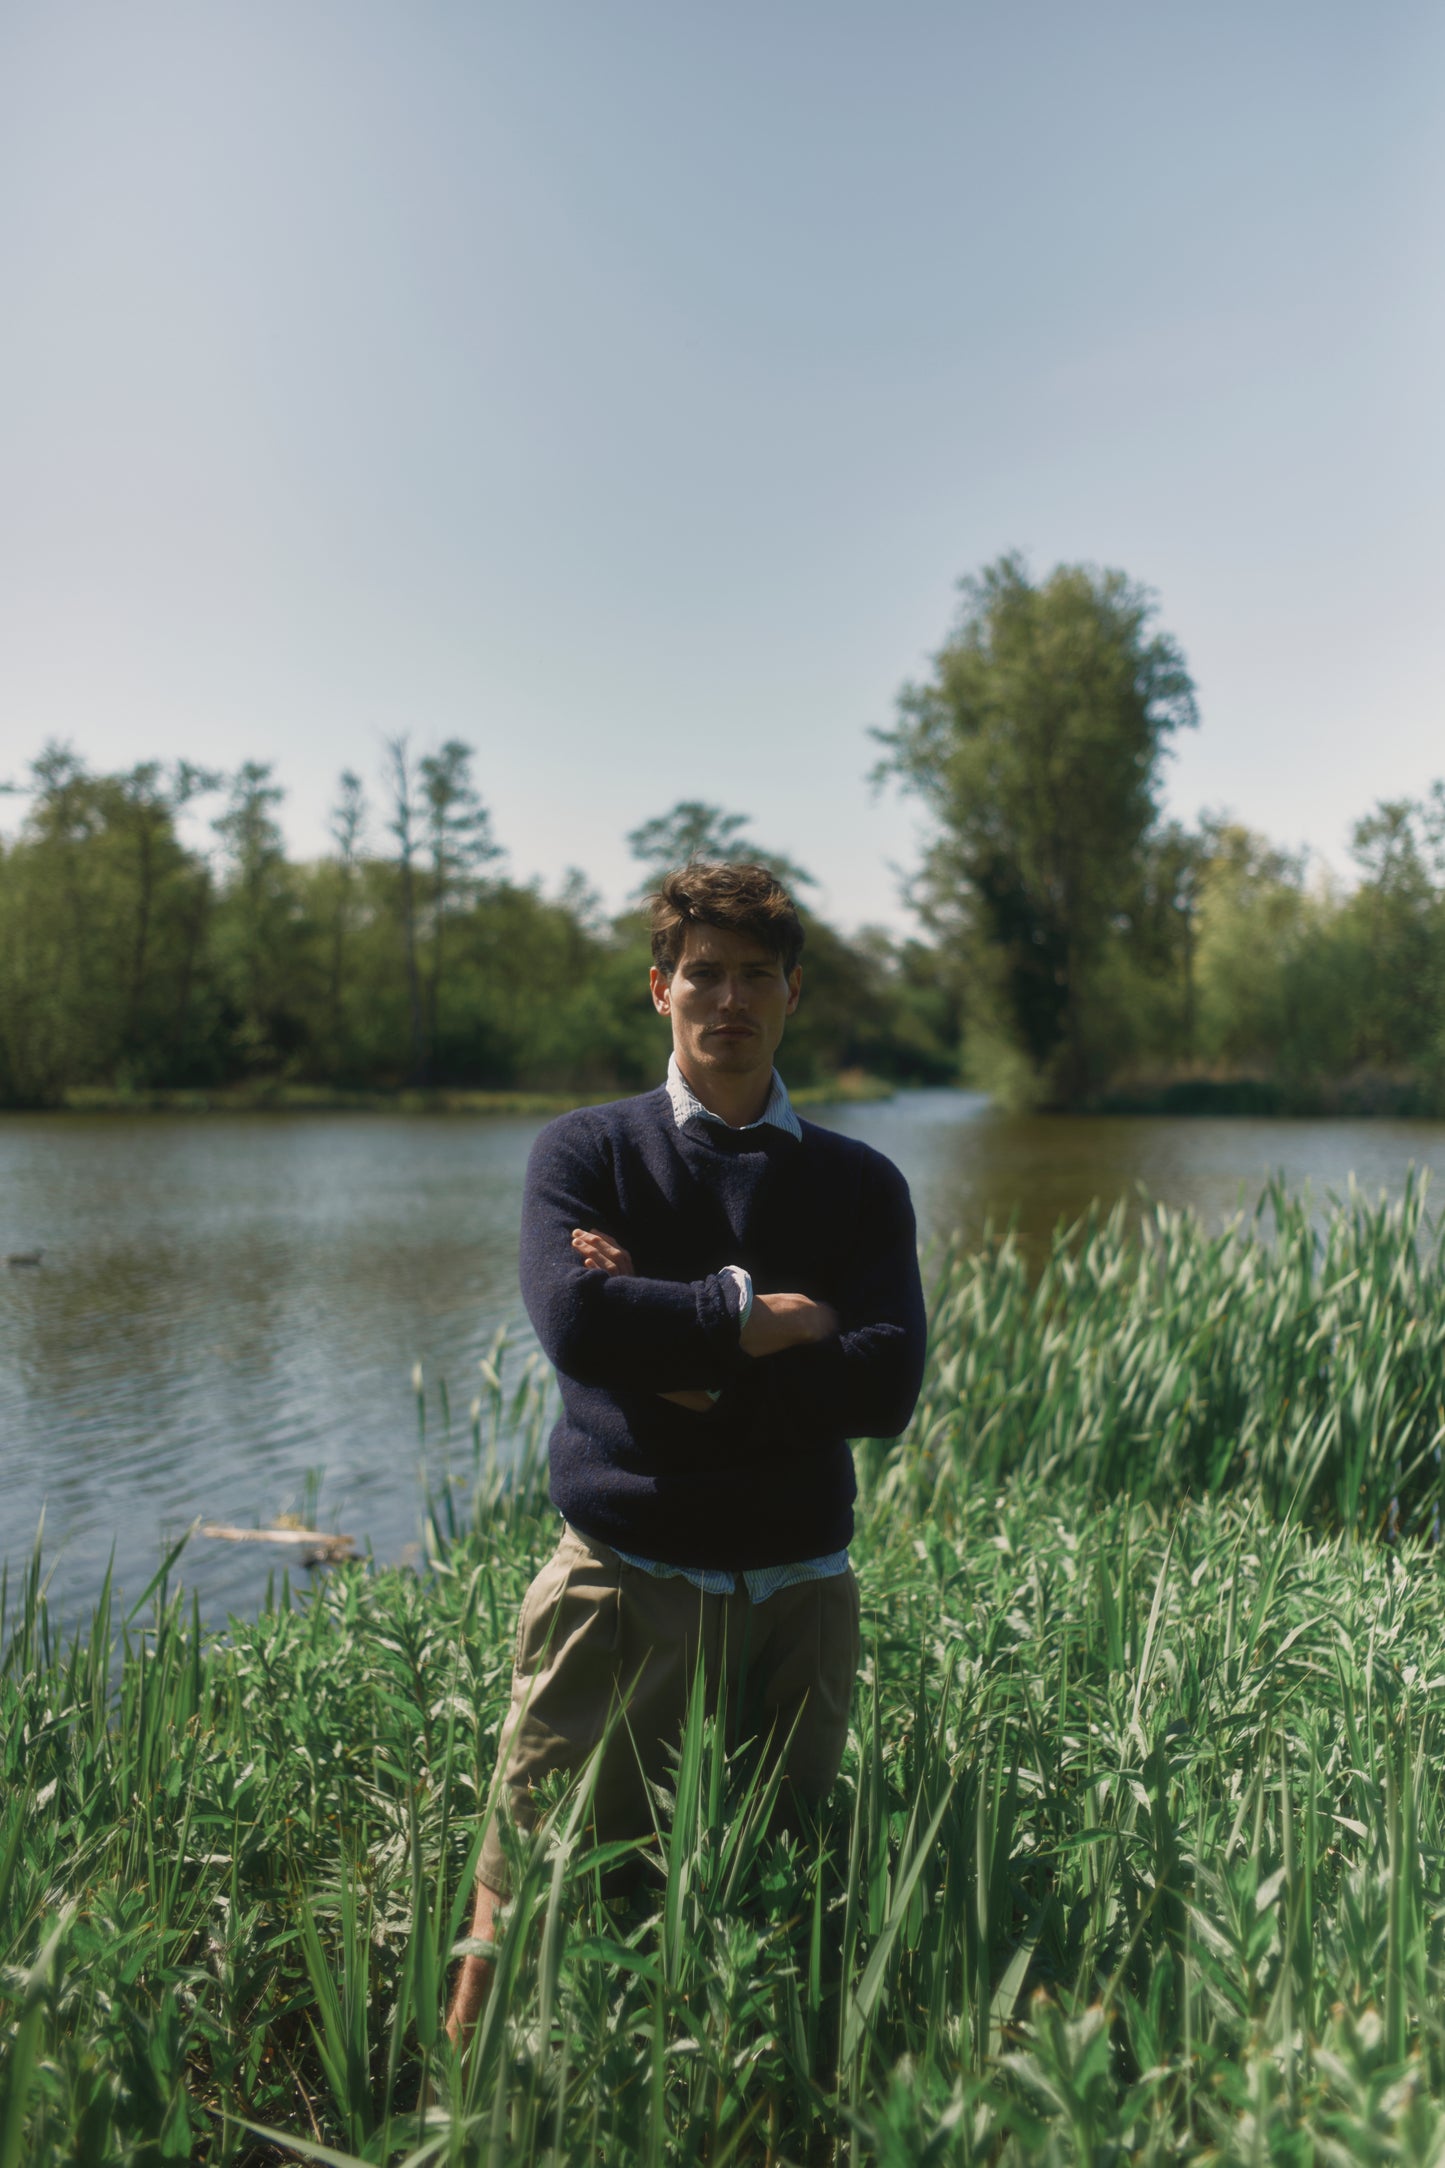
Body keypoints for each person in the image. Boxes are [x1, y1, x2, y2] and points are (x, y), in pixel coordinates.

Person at [446, 860, 926, 2044]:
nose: (728, 997)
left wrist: (679, 1353)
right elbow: (574, 1322)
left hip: (797, 1598)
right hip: (623, 1584)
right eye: (701, 973)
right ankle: (459, 2107)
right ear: (657, 990)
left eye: (754, 973)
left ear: (792, 993)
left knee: (773, 1900)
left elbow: (885, 1384)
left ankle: (723, 2107)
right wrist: (771, 1318)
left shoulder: (860, 1183)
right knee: (531, 1885)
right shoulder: (584, 1152)